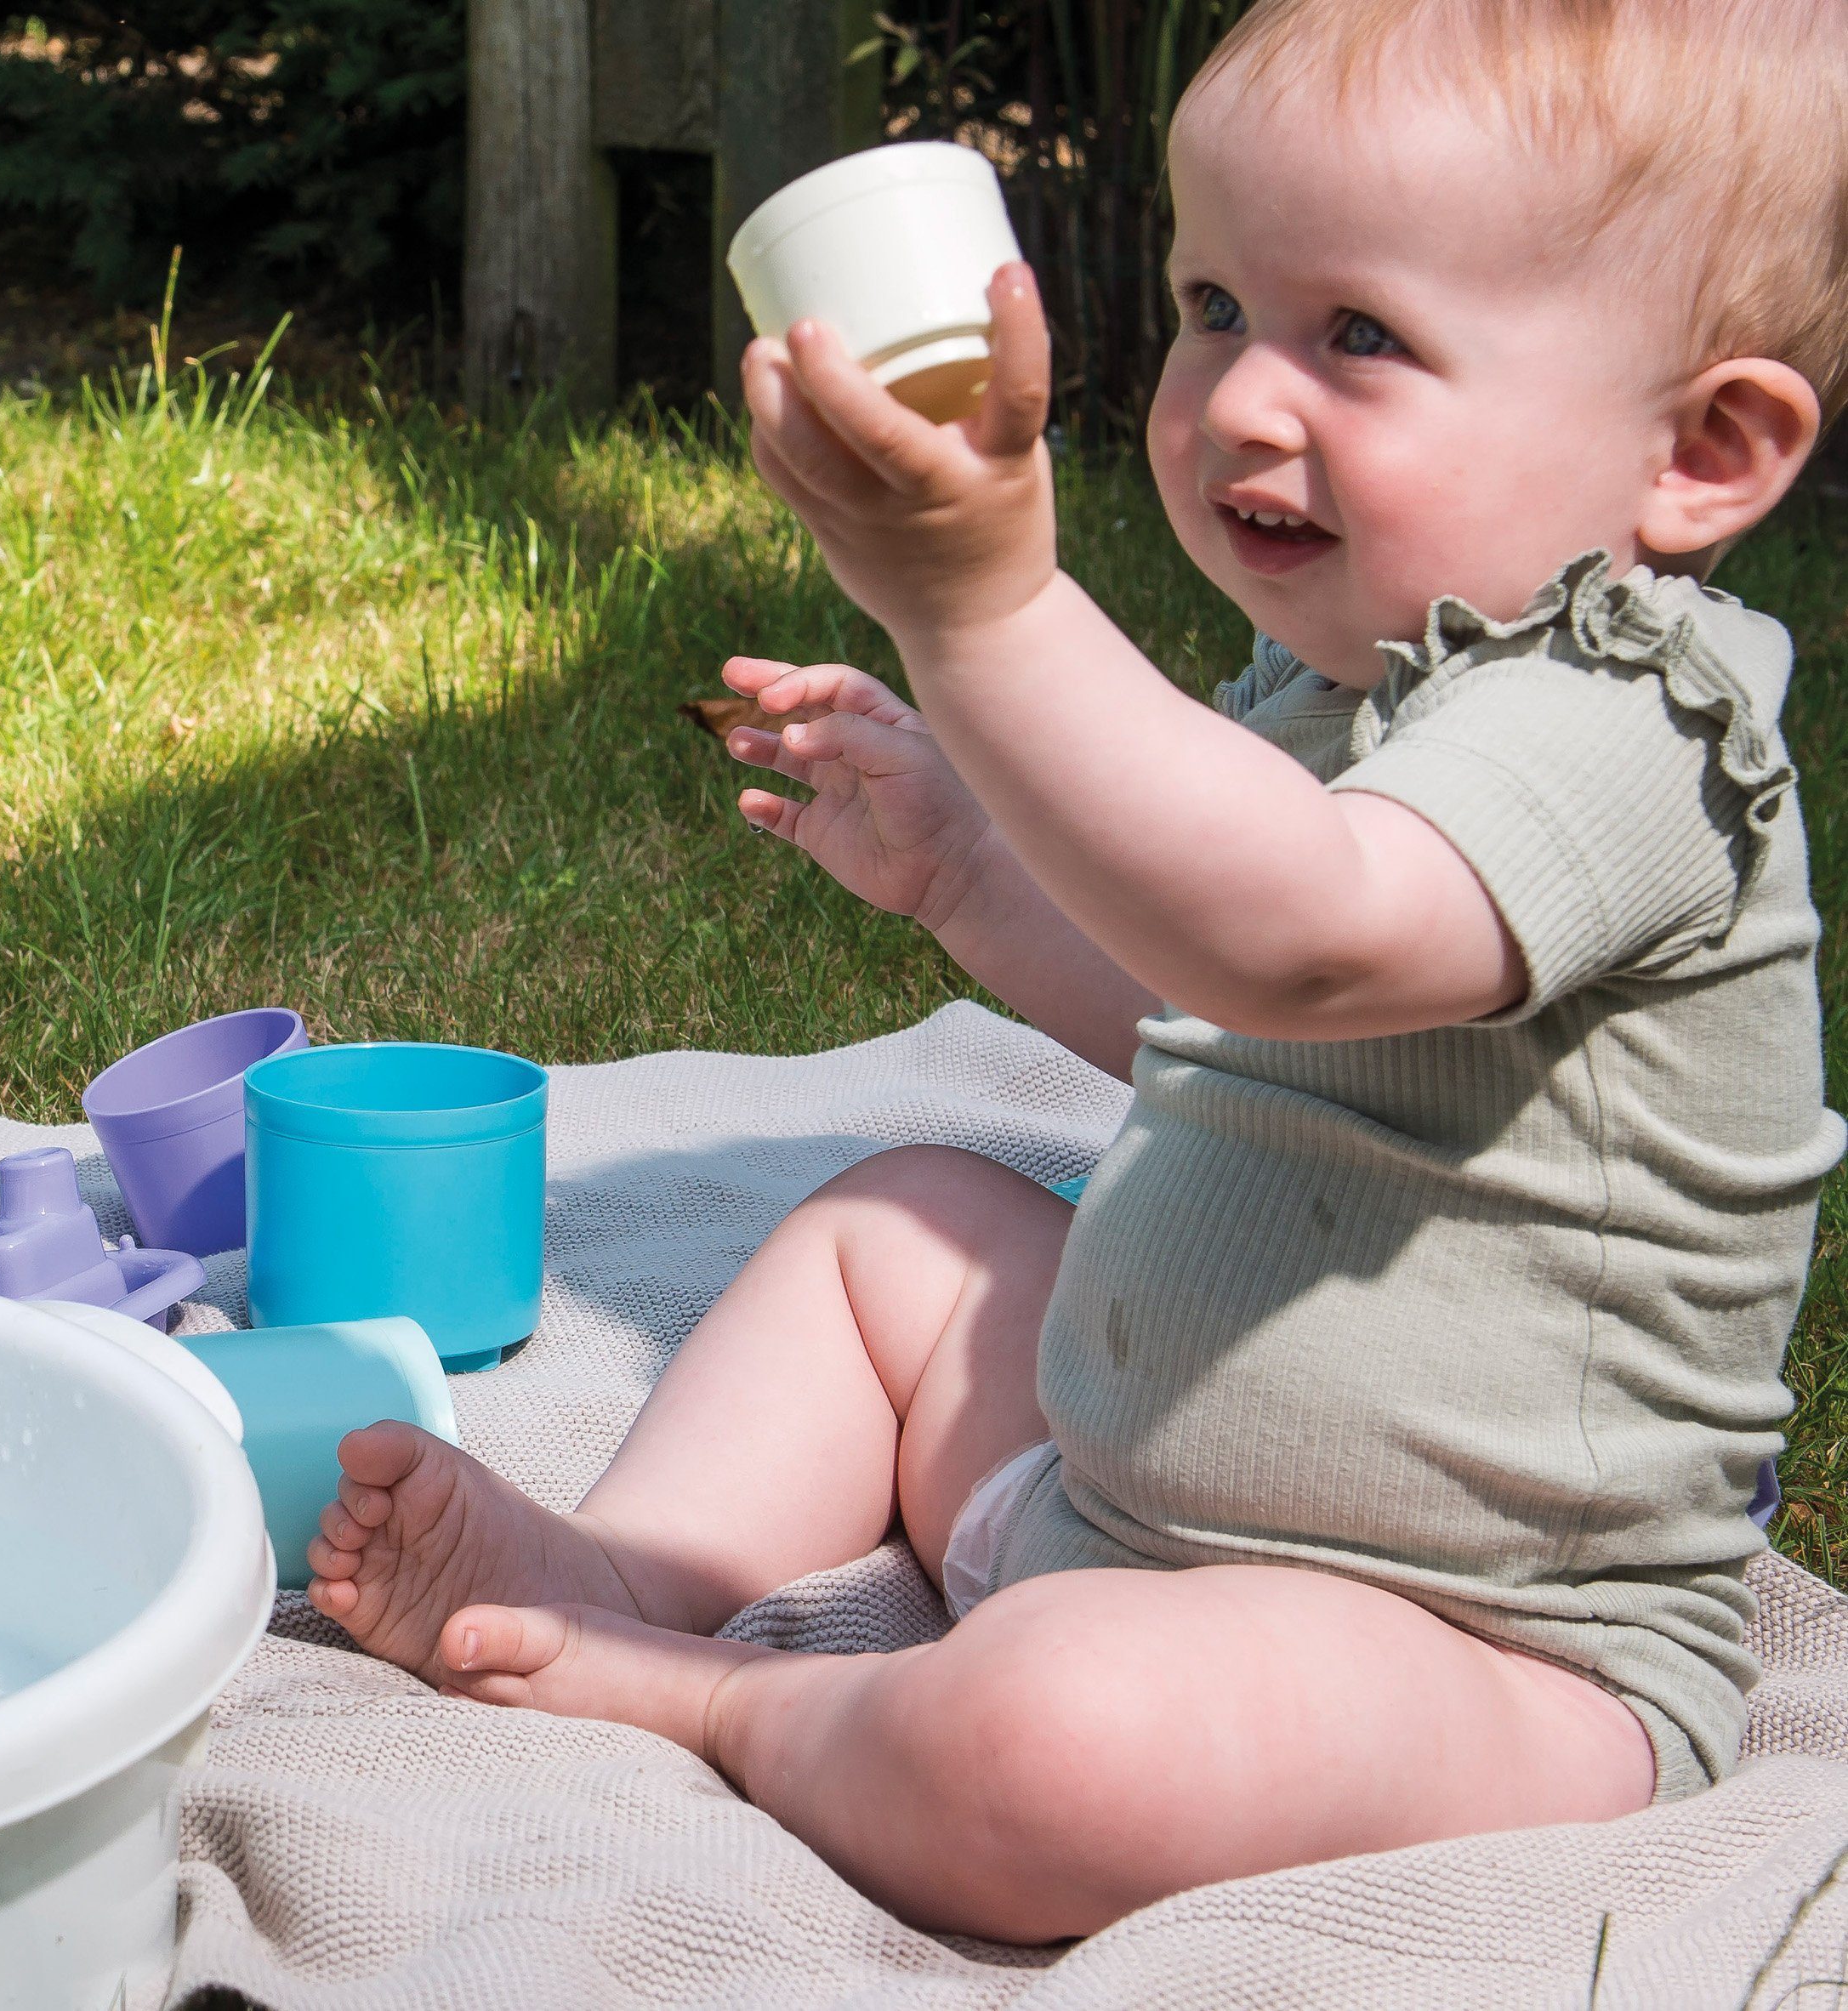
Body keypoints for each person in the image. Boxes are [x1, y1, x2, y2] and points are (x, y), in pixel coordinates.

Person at [304, 0, 1848, 1942]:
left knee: (1058, 1742)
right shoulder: (1338, 688)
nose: (1237, 399)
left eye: (1356, 336)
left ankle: (732, 1697)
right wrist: (968, 862)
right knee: (893, 1234)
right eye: (1212, 306)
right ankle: (630, 1563)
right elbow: (1213, 1008)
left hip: (1472, 1652)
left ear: (1701, 450)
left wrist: (989, 610)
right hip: (1107, 1504)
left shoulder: (1634, 718)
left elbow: (1301, 933)